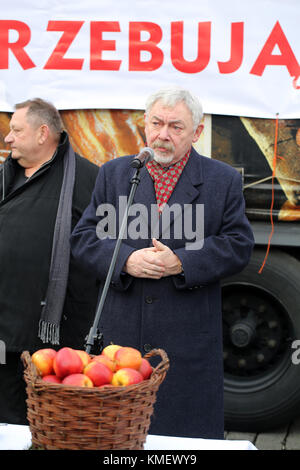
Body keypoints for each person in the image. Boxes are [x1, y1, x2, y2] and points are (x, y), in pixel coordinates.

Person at [70, 87, 255, 439]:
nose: (162, 135)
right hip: (120, 339)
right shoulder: (114, 174)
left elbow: (238, 244)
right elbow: (84, 238)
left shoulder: (222, 181)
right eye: (156, 123)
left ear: (197, 133)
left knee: (181, 439)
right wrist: (126, 259)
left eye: (176, 127)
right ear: (144, 123)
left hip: (185, 342)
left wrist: (181, 262)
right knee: (116, 439)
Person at [0, 98, 99, 425]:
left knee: (48, 423)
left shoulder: (88, 180)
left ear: (43, 133)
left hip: (50, 340)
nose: (7, 138)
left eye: (16, 130)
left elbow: (102, 249)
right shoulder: (6, 174)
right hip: (3, 333)